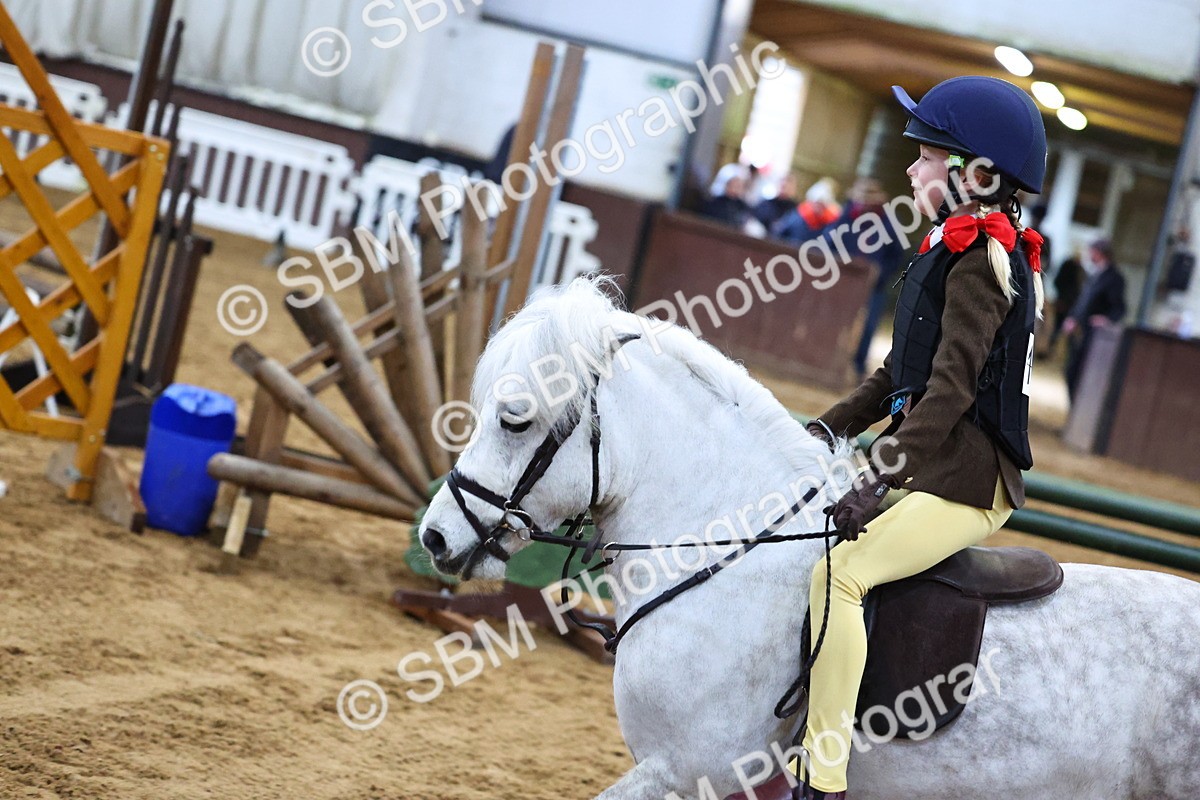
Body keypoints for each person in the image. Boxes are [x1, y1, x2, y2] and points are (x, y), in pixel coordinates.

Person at [792, 76, 1047, 800]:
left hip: (969, 479)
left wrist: (878, 474)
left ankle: (824, 778)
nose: (911, 170)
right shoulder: (948, 246)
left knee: (840, 574)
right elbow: (899, 373)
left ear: (975, 174)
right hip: (934, 461)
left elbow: (951, 391)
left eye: (926, 156)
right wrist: (827, 426)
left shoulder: (979, 263)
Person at [1063, 238, 1125, 401]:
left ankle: (1077, 414)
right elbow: (1083, 301)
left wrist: (1106, 319)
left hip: (1094, 337)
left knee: (1080, 373)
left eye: (1092, 251)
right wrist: (1073, 318)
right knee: (1071, 371)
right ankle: (1074, 411)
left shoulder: (1114, 278)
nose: (1089, 255)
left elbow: (1119, 308)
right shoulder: (1095, 274)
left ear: (1100, 253)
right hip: (1081, 332)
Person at [773, 178, 842, 243]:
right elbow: (780, 233)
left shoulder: (830, 223)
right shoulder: (797, 217)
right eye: (816, 203)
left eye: (821, 204)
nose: (818, 207)